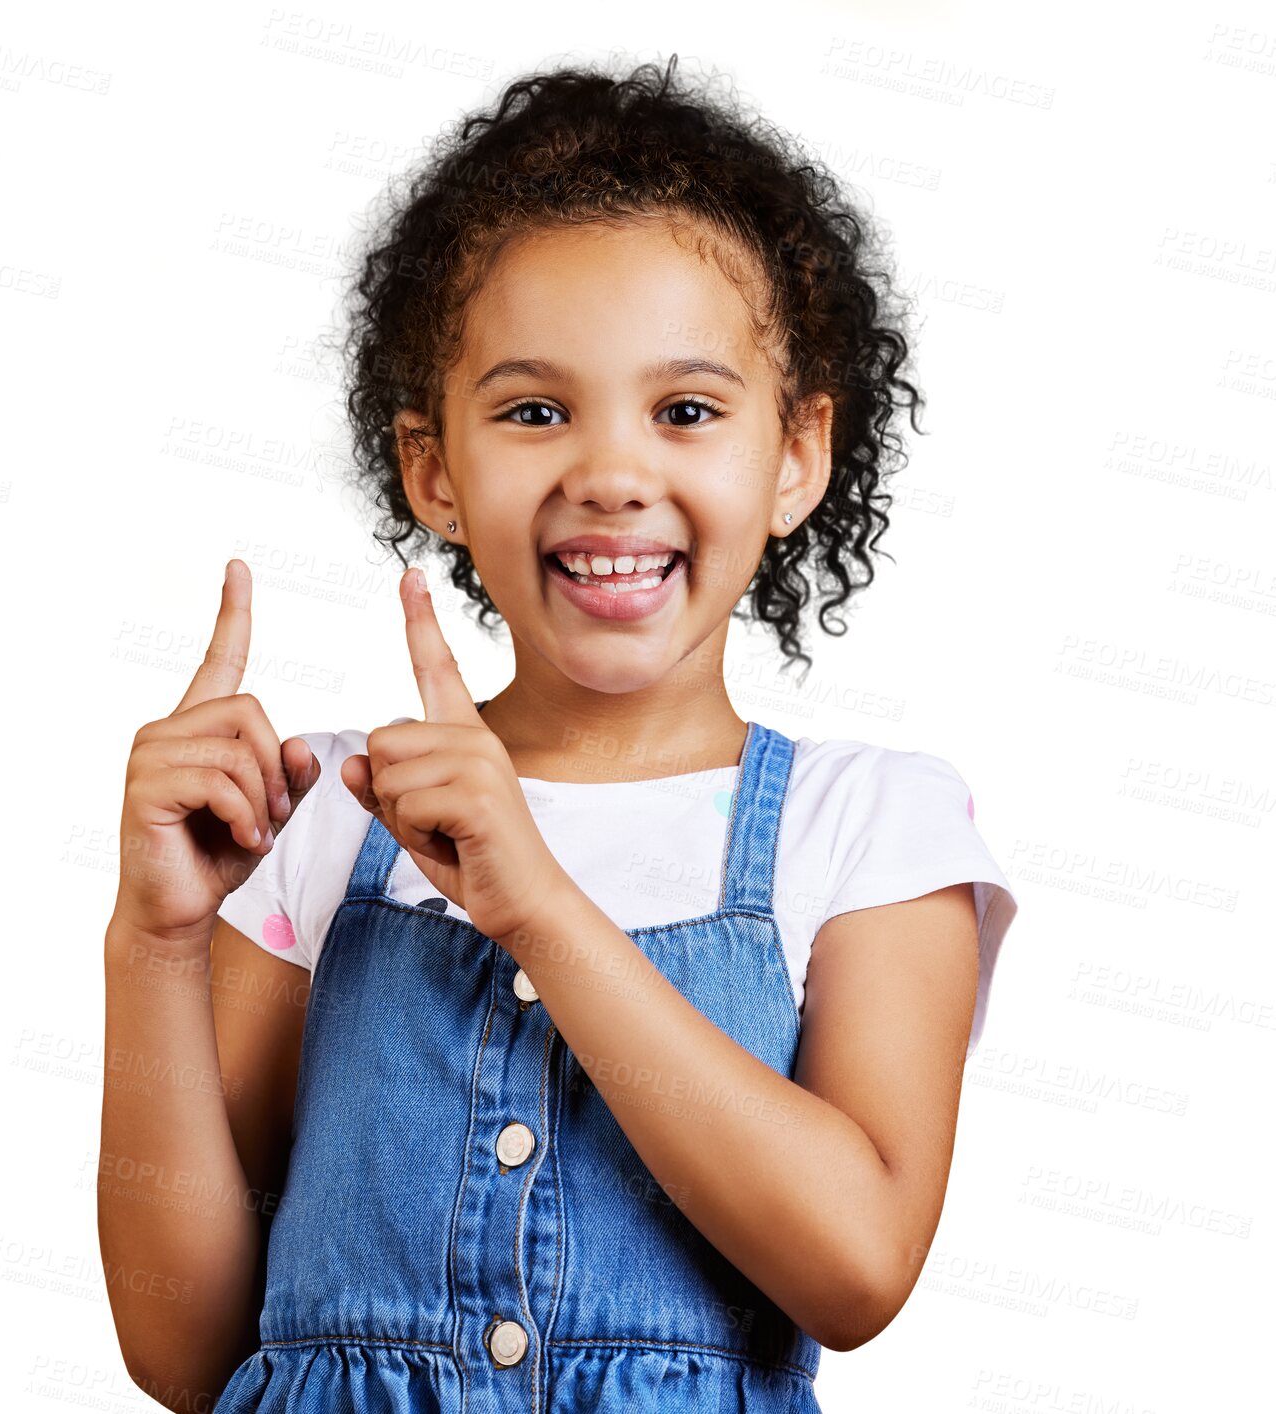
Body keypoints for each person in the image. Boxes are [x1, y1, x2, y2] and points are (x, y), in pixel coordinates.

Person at [99, 54, 1018, 1413]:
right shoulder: (324, 819)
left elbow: (856, 1262)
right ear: (433, 469)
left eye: (687, 410)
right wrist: (156, 941)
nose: (607, 470)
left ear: (795, 456)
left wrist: (535, 903)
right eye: (533, 409)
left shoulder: (868, 825)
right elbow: (185, 1351)